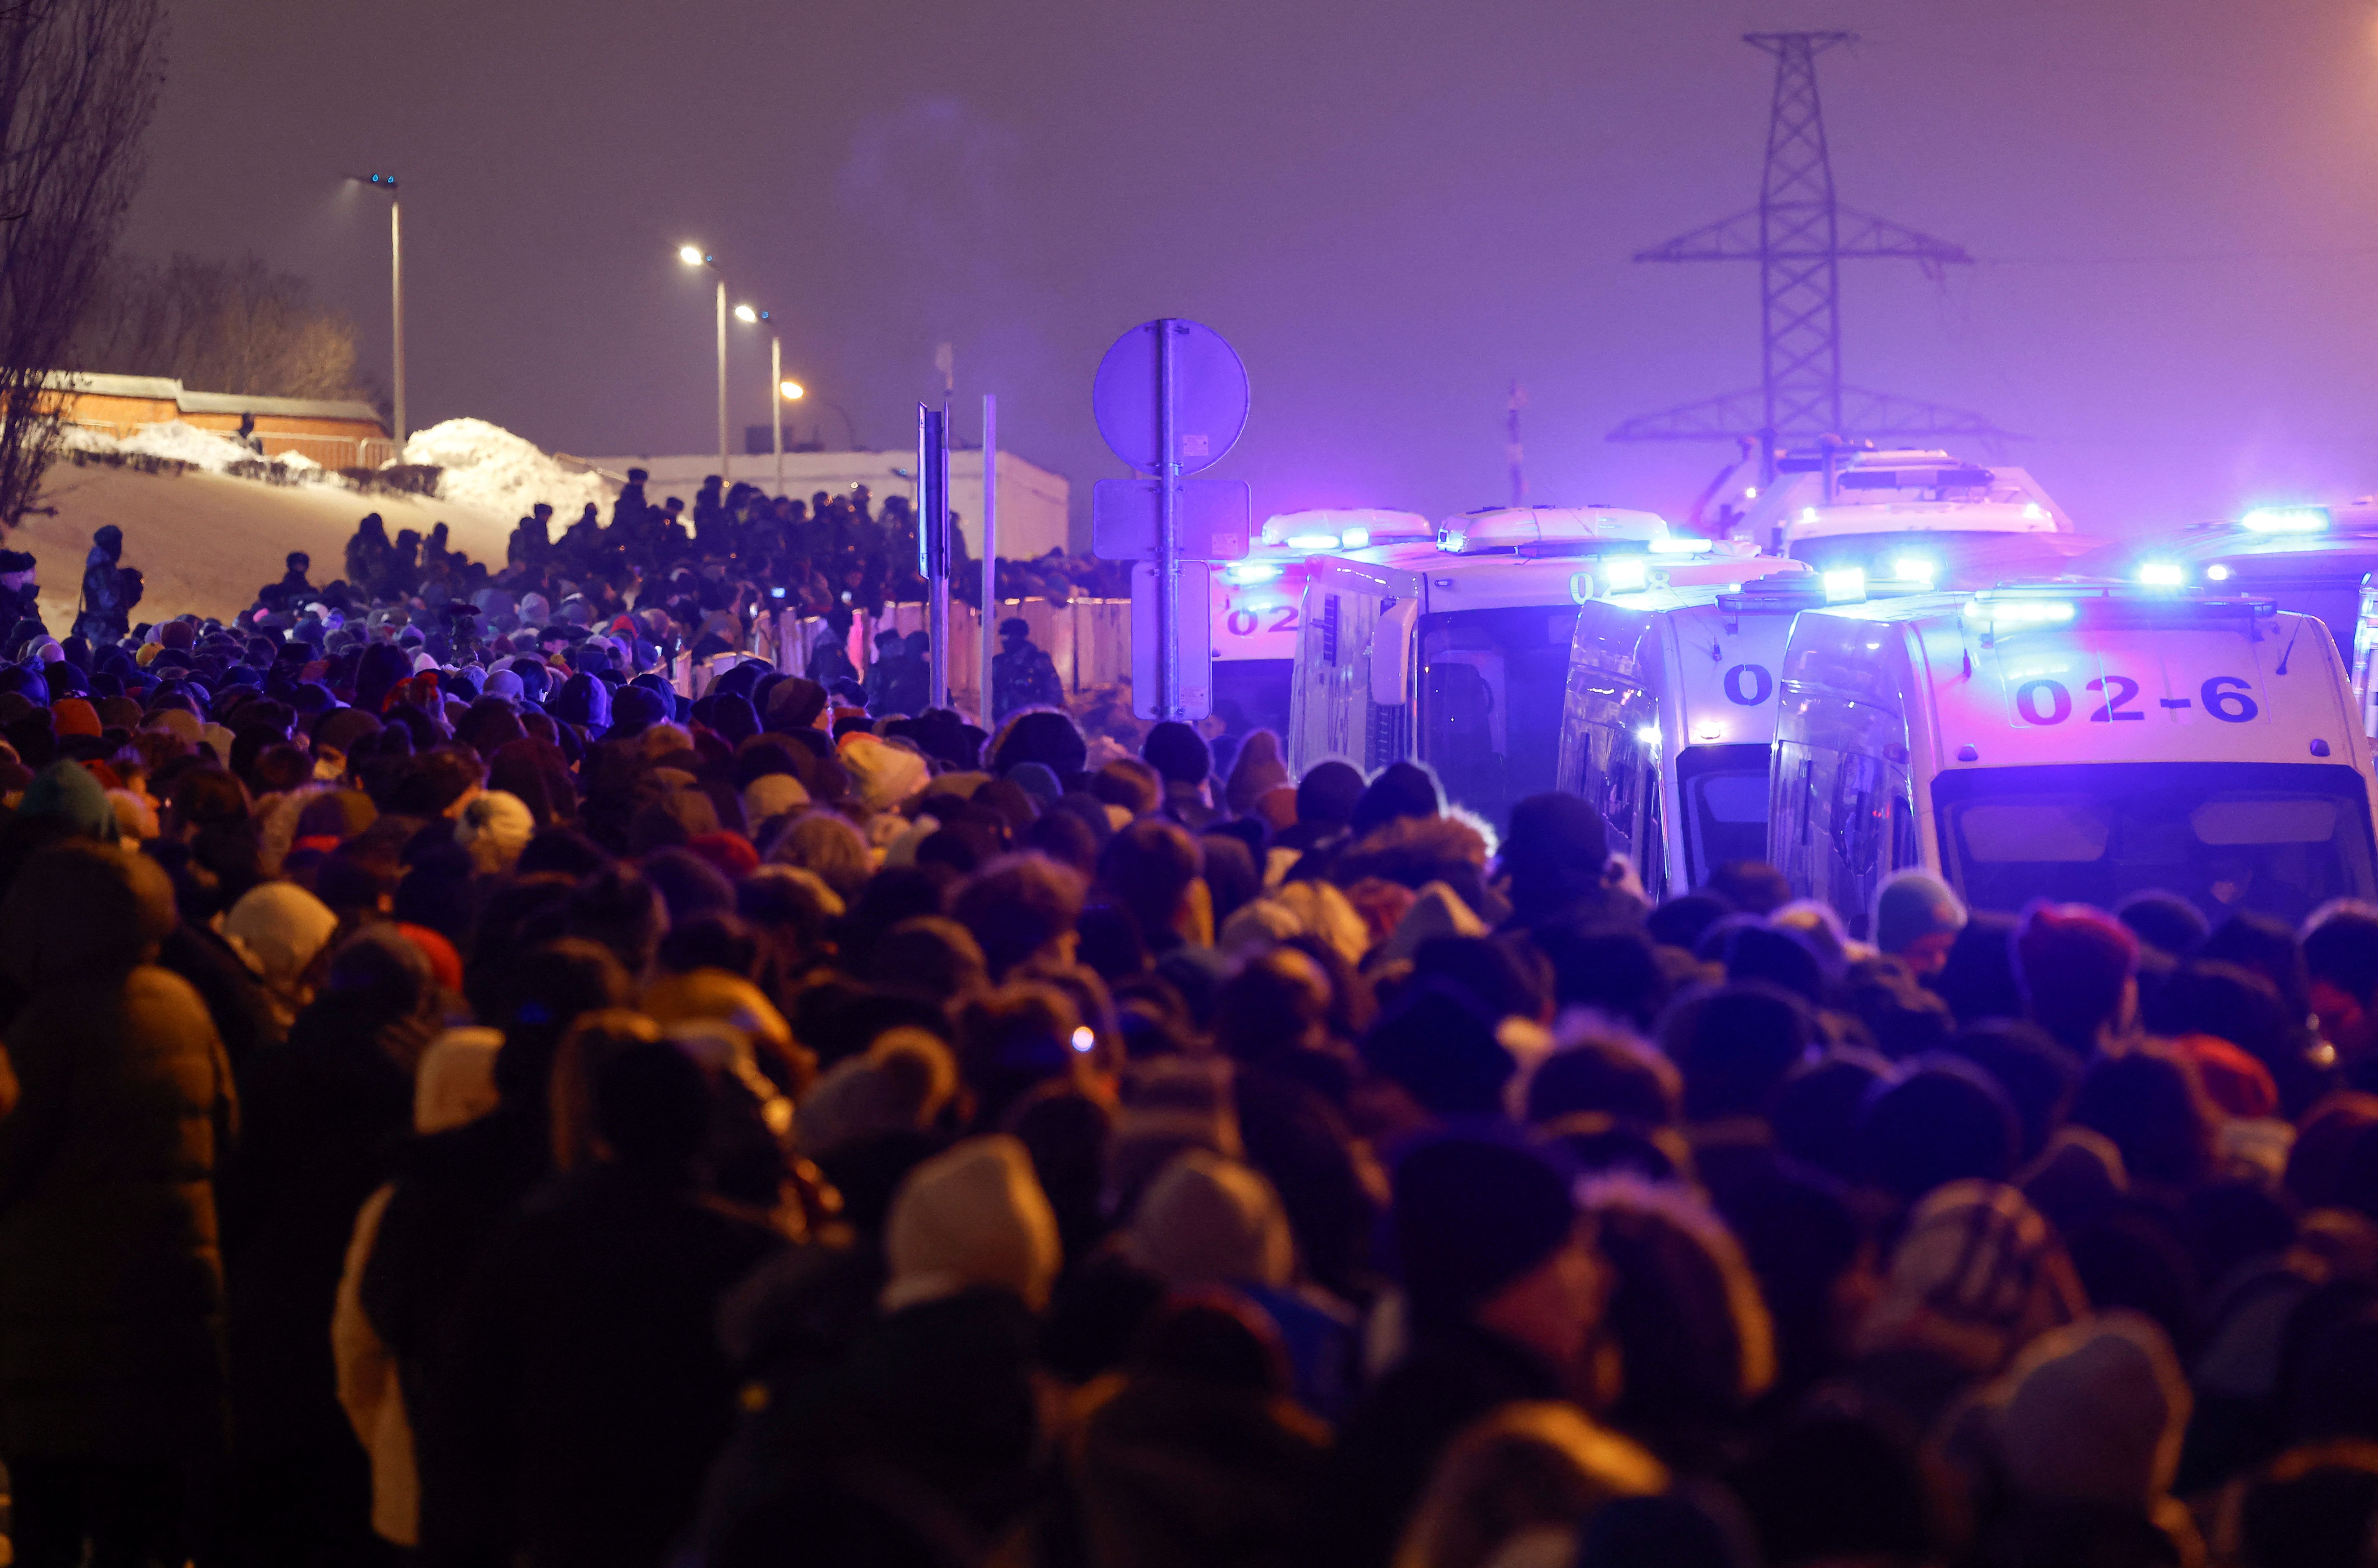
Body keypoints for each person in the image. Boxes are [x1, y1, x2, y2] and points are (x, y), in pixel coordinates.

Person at [0, 842, 235, 1568]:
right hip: (169, 1304)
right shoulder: (182, 1002)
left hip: (59, 1324)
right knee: (143, 1529)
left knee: (52, 1523)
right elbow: (226, 1128)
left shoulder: (52, 1025)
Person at [991, 617, 1064, 719]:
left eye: (1008, 635)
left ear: (1019, 637)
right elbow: (993, 693)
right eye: (1003, 636)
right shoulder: (998, 663)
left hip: (1032, 722)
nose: (1004, 640)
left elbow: (1054, 695)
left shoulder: (1039, 661)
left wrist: (1044, 718)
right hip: (1004, 723)